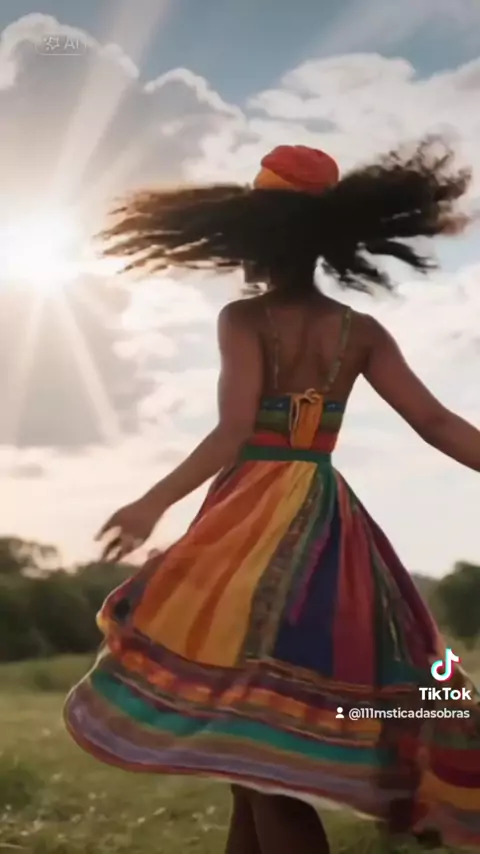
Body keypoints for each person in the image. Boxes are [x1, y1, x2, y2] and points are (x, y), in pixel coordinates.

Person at [64, 139, 480, 853]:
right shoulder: (361, 332)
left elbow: (233, 432)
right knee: (246, 763)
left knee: (261, 764)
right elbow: (437, 422)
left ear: (255, 236)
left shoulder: (244, 320)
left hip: (249, 530)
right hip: (329, 529)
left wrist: (151, 502)